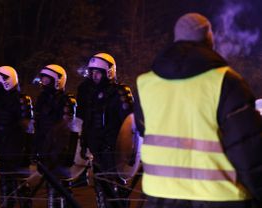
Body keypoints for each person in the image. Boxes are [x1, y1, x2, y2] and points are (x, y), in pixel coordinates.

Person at [135, 13, 262, 208]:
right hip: (220, 199)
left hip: (160, 197)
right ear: (209, 38)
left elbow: (146, 132)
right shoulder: (227, 82)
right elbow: (247, 150)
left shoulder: (145, 84)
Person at [78, 53, 134, 208]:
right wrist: (84, 144)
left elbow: (130, 124)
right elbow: (86, 122)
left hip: (115, 151)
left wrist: (131, 152)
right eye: (92, 72)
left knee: (117, 191)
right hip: (97, 150)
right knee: (101, 191)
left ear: (108, 72)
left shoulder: (120, 92)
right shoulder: (89, 93)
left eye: (98, 72)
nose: (94, 76)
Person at [0, 66, 34, 208]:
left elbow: (28, 128)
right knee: (5, 185)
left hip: (17, 150)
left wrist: (27, 151)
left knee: (21, 186)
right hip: (3, 150)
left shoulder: (21, 100)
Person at [33, 64, 78, 207]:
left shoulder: (67, 100)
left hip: (60, 151)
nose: (44, 82)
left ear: (57, 80)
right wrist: (36, 148)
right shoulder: (42, 99)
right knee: (50, 188)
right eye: (43, 79)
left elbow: (68, 129)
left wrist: (64, 152)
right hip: (45, 149)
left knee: (63, 187)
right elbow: (38, 126)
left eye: (47, 79)